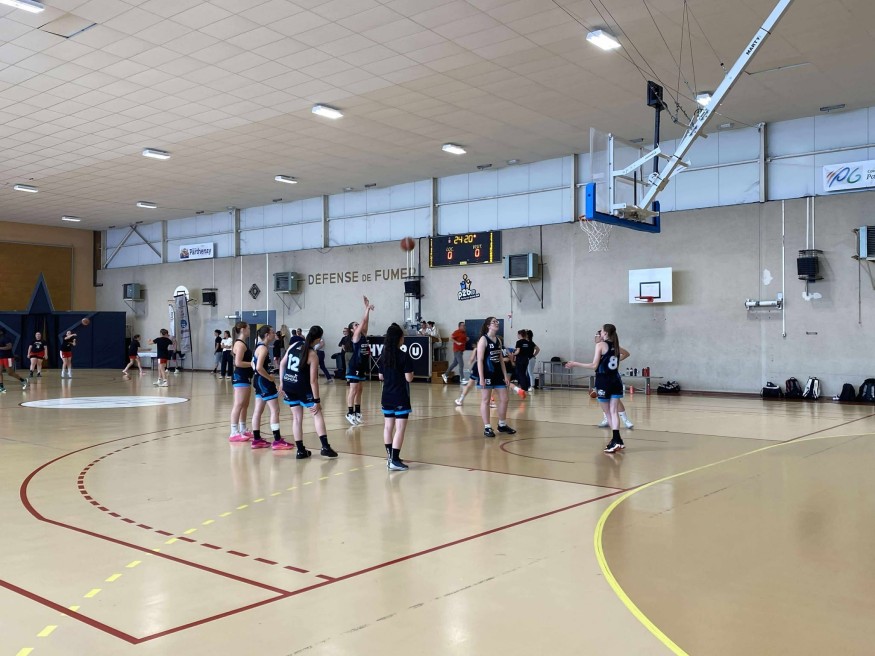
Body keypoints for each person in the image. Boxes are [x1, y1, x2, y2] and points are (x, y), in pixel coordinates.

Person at [565, 324, 630, 453]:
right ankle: (617, 440)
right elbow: (627, 354)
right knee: (613, 412)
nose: (600, 332)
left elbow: (594, 366)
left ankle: (616, 440)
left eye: (601, 330)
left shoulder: (600, 345)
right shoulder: (616, 345)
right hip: (616, 380)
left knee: (608, 413)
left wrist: (575, 364)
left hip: (604, 381)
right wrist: (613, 362)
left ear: (605, 333)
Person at [280, 325, 338, 459]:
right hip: (302, 386)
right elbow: (313, 380)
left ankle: (300, 450)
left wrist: (282, 383)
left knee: (296, 418)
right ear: (318, 339)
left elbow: (282, 364)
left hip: (289, 384)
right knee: (317, 413)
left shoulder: (294, 345)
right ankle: (325, 447)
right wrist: (317, 401)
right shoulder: (312, 354)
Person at [249, 325, 296, 450]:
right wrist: (269, 378)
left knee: (258, 411)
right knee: (275, 410)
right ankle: (277, 440)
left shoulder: (258, 347)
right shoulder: (263, 349)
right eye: (272, 332)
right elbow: (258, 367)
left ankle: (256, 439)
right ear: (266, 335)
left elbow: (253, 364)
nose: (274, 334)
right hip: (264, 382)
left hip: (258, 381)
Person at [378, 323, 415, 471]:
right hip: (400, 396)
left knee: (388, 427)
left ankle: (391, 457)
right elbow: (409, 378)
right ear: (399, 338)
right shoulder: (403, 356)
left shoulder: (383, 356)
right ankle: (394, 460)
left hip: (386, 395)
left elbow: (380, 376)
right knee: (399, 429)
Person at [475, 317, 516, 437]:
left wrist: (505, 375)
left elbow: (501, 360)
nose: (497, 323)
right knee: (486, 400)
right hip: (487, 373)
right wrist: (481, 377)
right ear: (488, 326)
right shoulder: (483, 339)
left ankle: (502, 424)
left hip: (498, 374)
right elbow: (480, 360)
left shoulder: (498, 340)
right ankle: (487, 427)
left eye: (497, 321)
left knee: (505, 398)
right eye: (494, 322)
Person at [593, 331, 633, 429]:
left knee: (616, 401)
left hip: (611, 378)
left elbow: (626, 353)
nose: (595, 337)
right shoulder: (599, 347)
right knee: (604, 401)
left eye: (597, 335)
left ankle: (625, 420)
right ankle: (607, 419)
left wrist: (618, 359)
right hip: (602, 378)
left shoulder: (611, 346)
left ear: (603, 335)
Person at [345, 295, 374, 425]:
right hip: (355, 365)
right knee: (353, 389)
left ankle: (357, 412)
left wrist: (367, 309)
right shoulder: (355, 336)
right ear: (352, 330)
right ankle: (349, 413)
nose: (358, 325)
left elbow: (365, 322)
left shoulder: (363, 334)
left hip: (362, 365)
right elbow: (363, 321)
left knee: (360, 389)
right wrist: (366, 308)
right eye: (355, 325)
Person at [228, 321, 254, 442]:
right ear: (243, 329)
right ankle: (234, 432)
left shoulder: (243, 344)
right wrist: (253, 364)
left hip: (246, 376)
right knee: (238, 404)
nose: (249, 330)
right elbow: (238, 363)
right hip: (240, 377)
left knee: (245, 404)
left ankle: (243, 429)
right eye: (248, 328)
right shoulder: (240, 345)